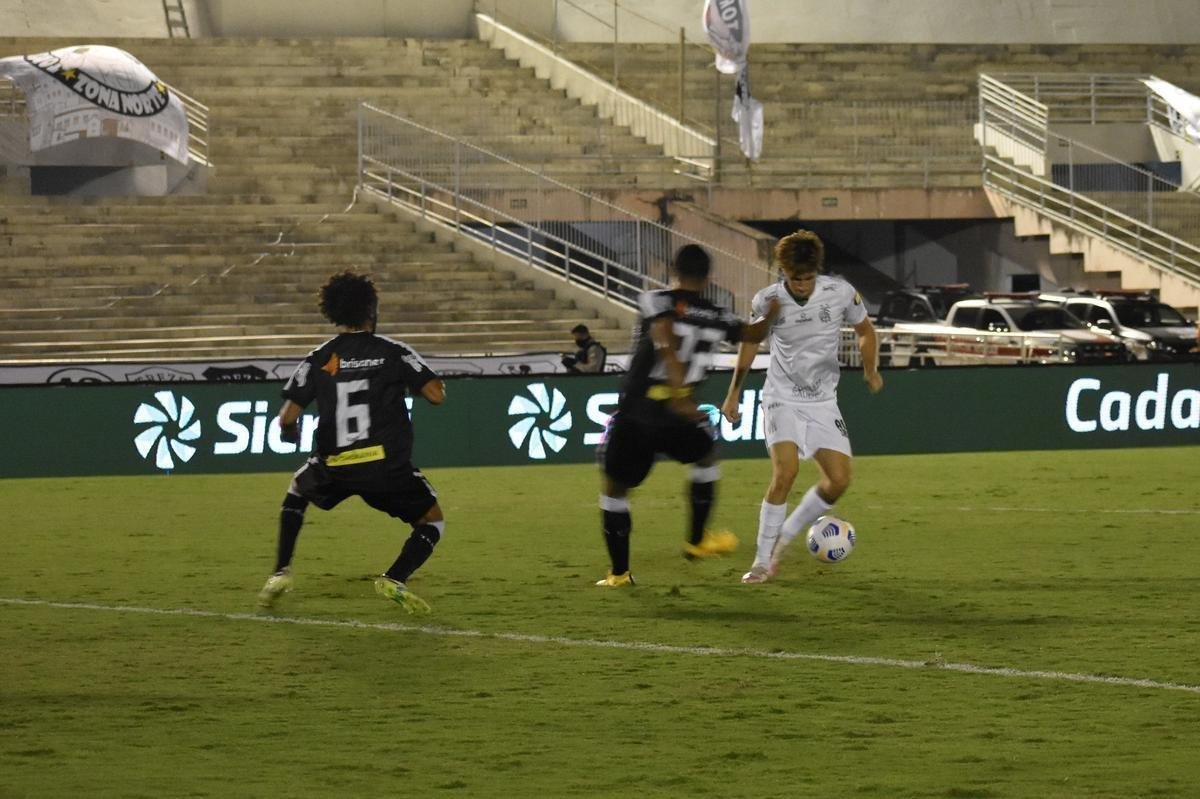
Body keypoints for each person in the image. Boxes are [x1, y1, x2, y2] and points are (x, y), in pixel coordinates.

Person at [257, 270, 447, 613]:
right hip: (385, 466)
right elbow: (436, 395)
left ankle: (280, 572)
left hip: (336, 465)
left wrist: (290, 432)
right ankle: (395, 577)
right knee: (432, 520)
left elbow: (287, 417)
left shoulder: (320, 357)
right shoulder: (393, 352)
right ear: (371, 310)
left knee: (298, 488)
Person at [595, 244, 779, 586]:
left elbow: (665, 338)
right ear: (708, 279)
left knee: (614, 490)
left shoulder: (655, 300)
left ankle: (619, 573)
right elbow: (754, 333)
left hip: (641, 410)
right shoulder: (718, 314)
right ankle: (696, 540)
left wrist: (678, 392)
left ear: (673, 270)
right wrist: (775, 309)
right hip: (676, 414)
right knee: (706, 457)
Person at [721, 230, 883, 585]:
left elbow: (865, 330)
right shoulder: (769, 300)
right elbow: (750, 344)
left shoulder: (839, 292)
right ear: (784, 272)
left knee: (839, 480)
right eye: (796, 279)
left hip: (822, 401)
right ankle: (761, 562)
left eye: (808, 278)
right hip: (781, 398)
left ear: (816, 272)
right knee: (786, 472)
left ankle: (786, 535)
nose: (803, 285)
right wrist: (733, 393)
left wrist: (870, 369)